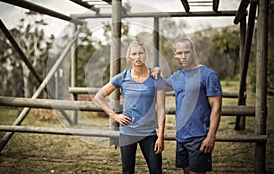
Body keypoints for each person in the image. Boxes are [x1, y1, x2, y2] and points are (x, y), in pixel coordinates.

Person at [94, 40, 166, 174]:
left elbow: (161, 108)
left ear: (146, 55)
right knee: (127, 171)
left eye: (141, 53)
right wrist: (114, 115)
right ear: (129, 58)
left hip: (149, 133)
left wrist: (161, 135)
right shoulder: (122, 77)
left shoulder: (156, 78)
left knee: (156, 170)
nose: (138, 57)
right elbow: (99, 96)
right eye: (134, 54)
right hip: (127, 133)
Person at [154, 38, 222, 174]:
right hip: (181, 136)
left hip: (199, 136)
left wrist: (211, 136)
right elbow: (160, 86)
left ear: (194, 52)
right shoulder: (177, 76)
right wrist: (157, 72)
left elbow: (217, 107)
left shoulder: (208, 74)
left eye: (187, 52)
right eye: (179, 53)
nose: (183, 56)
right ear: (175, 55)